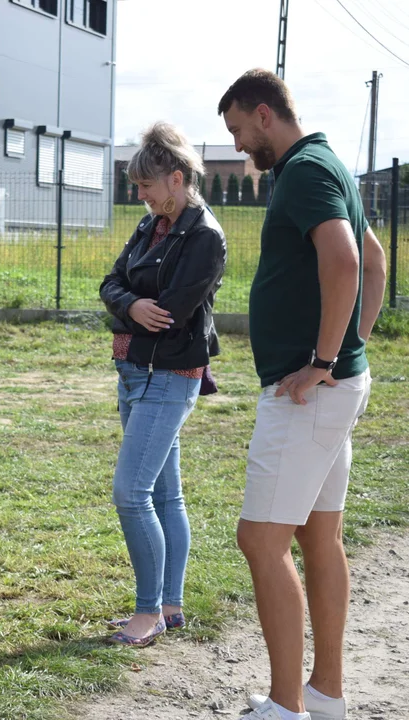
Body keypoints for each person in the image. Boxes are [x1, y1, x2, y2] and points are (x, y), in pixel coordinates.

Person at [218, 69, 387, 720]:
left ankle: (285, 707)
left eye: (237, 130)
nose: (238, 146)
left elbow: (346, 261)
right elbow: (373, 261)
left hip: (304, 393)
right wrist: (349, 350)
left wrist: (324, 359)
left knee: (260, 542)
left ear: (264, 115)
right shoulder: (329, 164)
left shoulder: (304, 170)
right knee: (319, 537)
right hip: (327, 388)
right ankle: (325, 693)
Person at [98, 121, 227, 647]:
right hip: (133, 370)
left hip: (170, 375)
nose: (140, 195)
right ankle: (170, 606)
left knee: (131, 494)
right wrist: (129, 305)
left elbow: (171, 313)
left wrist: (128, 306)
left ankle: (146, 613)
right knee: (167, 496)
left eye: (145, 186)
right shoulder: (149, 225)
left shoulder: (204, 236)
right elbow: (110, 284)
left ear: (175, 179)